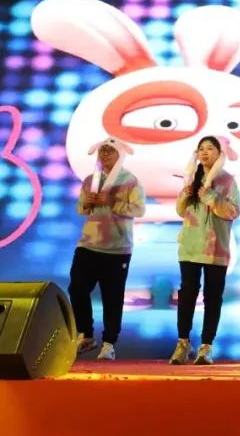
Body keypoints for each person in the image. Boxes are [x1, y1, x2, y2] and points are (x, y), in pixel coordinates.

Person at [69, 137, 145, 361]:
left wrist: (112, 202)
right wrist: (87, 203)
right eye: (102, 150)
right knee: (77, 288)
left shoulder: (130, 180)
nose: (104, 154)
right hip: (88, 244)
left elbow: (139, 210)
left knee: (112, 298)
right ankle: (85, 334)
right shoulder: (90, 180)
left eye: (109, 151)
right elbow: (81, 209)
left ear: (119, 154)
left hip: (117, 248)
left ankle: (109, 343)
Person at [169, 135, 240, 366]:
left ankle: (206, 346)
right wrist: (185, 192)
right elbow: (181, 211)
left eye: (210, 148)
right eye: (201, 149)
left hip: (216, 248)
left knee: (213, 297)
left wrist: (210, 196)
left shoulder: (227, 180)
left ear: (219, 153)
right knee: (187, 294)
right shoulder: (192, 177)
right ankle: (182, 343)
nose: (204, 152)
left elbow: (233, 211)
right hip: (190, 246)